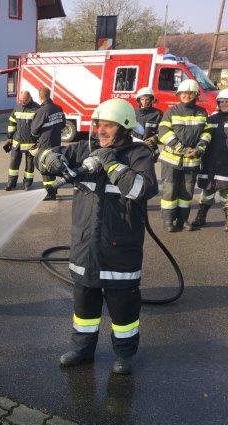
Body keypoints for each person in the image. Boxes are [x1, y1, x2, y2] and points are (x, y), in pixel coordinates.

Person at [37, 99, 158, 375]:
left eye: (108, 126)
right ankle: (82, 349)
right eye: (98, 124)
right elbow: (42, 157)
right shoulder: (82, 149)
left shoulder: (138, 155)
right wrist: (49, 159)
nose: (100, 130)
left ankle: (124, 354)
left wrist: (112, 165)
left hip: (121, 249)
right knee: (84, 305)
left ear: (125, 128)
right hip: (85, 246)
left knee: (124, 309)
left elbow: (142, 189)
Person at [157, 79, 212, 232]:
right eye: (183, 93)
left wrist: (199, 149)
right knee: (169, 190)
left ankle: (183, 219)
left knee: (187, 192)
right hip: (171, 161)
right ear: (178, 95)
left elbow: (207, 133)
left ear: (195, 95)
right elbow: (163, 133)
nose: (186, 96)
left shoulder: (202, 112)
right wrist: (181, 149)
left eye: (189, 93)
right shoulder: (171, 112)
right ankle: (168, 220)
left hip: (192, 161)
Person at [192, 89, 228, 231]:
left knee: (226, 195)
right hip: (210, 162)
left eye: (227, 101)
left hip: (226, 164)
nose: (224, 104)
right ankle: (201, 218)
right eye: (221, 101)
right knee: (207, 192)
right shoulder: (211, 119)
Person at [31, 87, 65, 200]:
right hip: (56, 142)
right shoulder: (58, 108)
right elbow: (63, 124)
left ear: (40, 96)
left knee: (45, 168)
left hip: (45, 144)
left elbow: (34, 130)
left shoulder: (42, 111)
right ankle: (53, 191)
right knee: (53, 165)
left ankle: (50, 193)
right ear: (49, 95)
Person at [3, 90, 39, 191]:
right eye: (20, 100)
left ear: (30, 98)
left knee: (30, 165)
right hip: (17, 141)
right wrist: (9, 137)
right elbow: (12, 123)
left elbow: (40, 126)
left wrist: (39, 141)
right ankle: (11, 183)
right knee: (13, 163)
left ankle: (27, 184)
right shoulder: (17, 107)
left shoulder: (37, 108)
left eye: (24, 100)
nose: (22, 102)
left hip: (31, 142)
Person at [133, 87, 162, 160]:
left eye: (147, 99)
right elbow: (127, 128)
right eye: (142, 99)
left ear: (151, 100)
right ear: (139, 100)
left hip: (150, 148)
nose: (144, 102)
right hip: (134, 146)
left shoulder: (157, 113)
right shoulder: (133, 112)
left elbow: (162, 130)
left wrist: (154, 138)